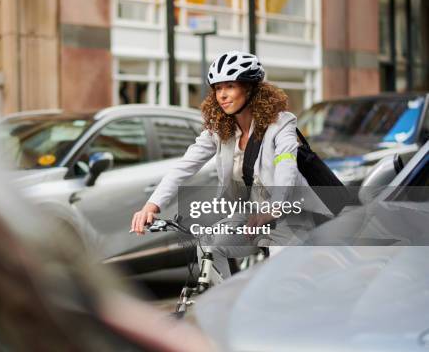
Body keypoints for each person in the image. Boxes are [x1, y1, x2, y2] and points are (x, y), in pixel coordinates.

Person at [130, 51, 330, 277]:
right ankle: (224, 306)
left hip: (290, 214)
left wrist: (272, 209)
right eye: (217, 88)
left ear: (250, 88)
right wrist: (152, 205)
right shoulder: (221, 130)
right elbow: (185, 166)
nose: (222, 95)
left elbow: (286, 168)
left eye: (230, 86)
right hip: (251, 214)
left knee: (280, 274)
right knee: (209, 246)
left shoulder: (281, 123)